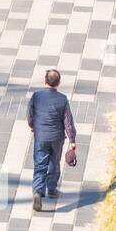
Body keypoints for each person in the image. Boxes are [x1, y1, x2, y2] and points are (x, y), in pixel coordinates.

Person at [27, 69, 77, 212]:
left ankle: (38, 191)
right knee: (54, 162)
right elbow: (68, 121)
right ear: (59, 83)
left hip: (41, 136)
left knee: (40, 163)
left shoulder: (36, 96)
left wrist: (32, 125)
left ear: (45, 82)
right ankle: (52, 189)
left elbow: (30, 114)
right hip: (57, 137)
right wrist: (72, 140)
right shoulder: (62, 99)